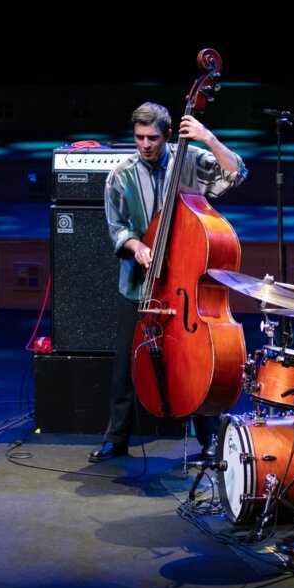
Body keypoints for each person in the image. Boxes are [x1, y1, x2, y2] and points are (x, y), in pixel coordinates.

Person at [90, 102, 247, 463]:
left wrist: (209, 138)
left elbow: (236, 173)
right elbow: (117, 228)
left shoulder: (189, 160)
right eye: (139, 137)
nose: (145, 144)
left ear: (168, 135)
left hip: (185, 283)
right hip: (140, 285)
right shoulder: (120, 176)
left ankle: (209, 437)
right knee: (127, 365)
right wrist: (138, 247)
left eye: (153, 138)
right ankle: (116, 438)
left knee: (196, 361)